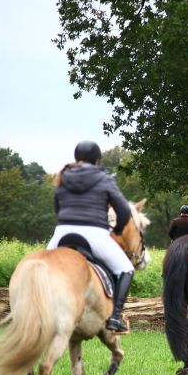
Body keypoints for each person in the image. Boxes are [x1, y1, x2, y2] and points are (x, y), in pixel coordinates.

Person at [47, 140, 135, 333]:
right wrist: (118, 229)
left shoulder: (62, 177)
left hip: (62, 232)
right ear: (97, 159)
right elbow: (123, 210)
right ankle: (115, 317)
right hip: (94, 233)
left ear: (76, 157)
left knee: (42, 266)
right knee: (126, 269)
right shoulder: (104, 179)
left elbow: (57, 208)